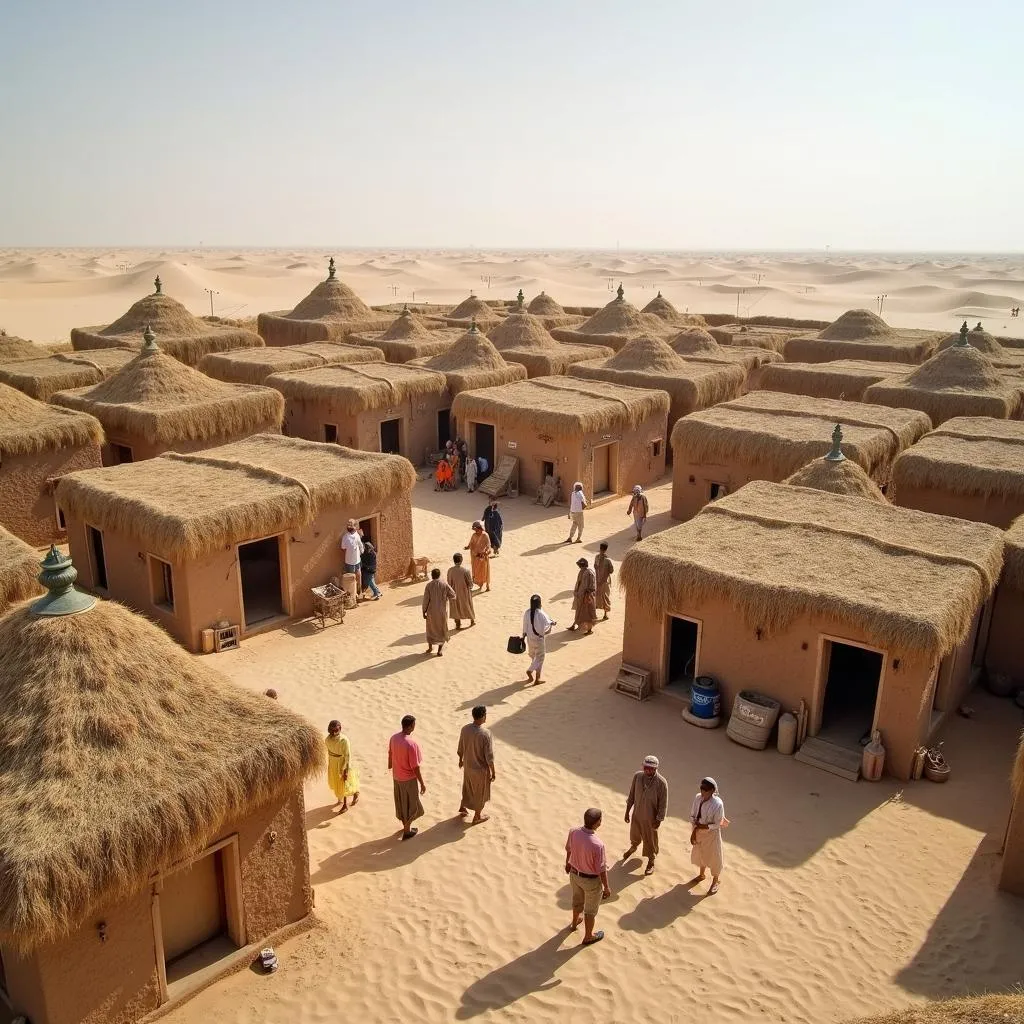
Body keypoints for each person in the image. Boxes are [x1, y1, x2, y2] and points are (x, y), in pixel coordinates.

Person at [565, 808, 611, 946]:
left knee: (577, 900)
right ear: (598, 823)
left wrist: (567, 863)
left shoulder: (573, 832)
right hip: (590, 881)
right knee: (590, 910)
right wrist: (607, 887)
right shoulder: (598, 845)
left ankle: (574, 924)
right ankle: (588, 936)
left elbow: (569, 849)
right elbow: (601, 869)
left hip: (574, 875)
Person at [623, 755, 667, 875]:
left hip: (651, 819)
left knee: (650, 840)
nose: (647, 770)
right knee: (634, 834)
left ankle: (651, 861)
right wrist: (627, 811)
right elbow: (631, 795)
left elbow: (663, 805)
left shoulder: (661, 783)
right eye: (645, 767)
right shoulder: (637, 776)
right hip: (637, 814)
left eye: (650, 768)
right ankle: (633, 847)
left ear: (655, 768)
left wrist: (658, 820)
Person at [388, 715, 426, 840]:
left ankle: (405, 825)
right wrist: (422, 783)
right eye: (414, 724)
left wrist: (390, 766)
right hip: (408, 779)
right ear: (410, 726)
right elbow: (415, 767)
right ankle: (407, 830)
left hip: (397, 777)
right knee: (412, 804)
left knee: (402, 802)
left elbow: (390, 753)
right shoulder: (411, 744)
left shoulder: (393, 738)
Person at [457, 705, 495, 824]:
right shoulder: (485, 734)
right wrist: (493, 772)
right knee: (480, 792)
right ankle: (477, 816)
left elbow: (461, 746)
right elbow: (489, 756)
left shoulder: (465, 729)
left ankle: (463, 807)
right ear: (483, 716)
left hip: (468, 766)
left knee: (467, 787)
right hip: (480, 770)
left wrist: (460, 759)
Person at [689, 776, 726, 894]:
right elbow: (693, 814)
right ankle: (701, 875)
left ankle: (715, 880)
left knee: (714, 857)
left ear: (712, 791)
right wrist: (694, 829)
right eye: (701, 788)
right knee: (700, 853)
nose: (702, 791)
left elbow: (717, 823)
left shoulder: (718, 804)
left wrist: (704, 827)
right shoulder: (697, 798)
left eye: (705, 789)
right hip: (698, 831)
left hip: (711, 835)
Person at [326, 720, 360, 814]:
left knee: (344, 783)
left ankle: (346, 804)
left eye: (335, 730)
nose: (334, 732)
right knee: (338, 782)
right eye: (332, 730)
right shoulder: (328, 739)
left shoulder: (344, 740)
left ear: (340, 729)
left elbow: (347, 756)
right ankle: (347, 796)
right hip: (333, 763)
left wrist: (345, 770)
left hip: (342, 764)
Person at [522, 593, 555, 684]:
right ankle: (535, 676)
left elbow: (525, 626)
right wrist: (552, 624)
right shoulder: (540, 613)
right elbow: (547, 625)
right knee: (540, 658)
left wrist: (524, 635)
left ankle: (534, 676)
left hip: (530, 639)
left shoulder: (527, 612)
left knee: (534, 657)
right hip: (539, 639)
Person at [422, 567, 456, 656]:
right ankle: (439, 650)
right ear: (439, 575)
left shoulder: (428, 585)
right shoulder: (444, 584)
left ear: (432, 576)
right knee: (441, 629)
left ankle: (430, 648)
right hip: (442, 611)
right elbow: (453, 595)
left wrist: (423, 611)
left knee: (430, 629)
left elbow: (426, 600)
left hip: (431, 611)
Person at [569, 557, 597, 635]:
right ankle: (575, 625)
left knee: (588, 614)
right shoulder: (582, 572)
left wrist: (586, 595)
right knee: (579, 612)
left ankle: (589, 630)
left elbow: (591, 587)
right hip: (580, 596)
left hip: (587, 598)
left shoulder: (589, 573)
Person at [447, 552, 475, 629]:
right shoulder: (465, 571)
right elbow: (470, 583)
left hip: (454, 593)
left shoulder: (450, 570)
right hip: (464, 592)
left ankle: (458, 624)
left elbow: (449, 582)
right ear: (461, 560)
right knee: (468, 605)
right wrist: (471, 586)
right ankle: (472, 621)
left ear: (454, 560)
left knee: (456, 608)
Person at [465, 521, 492, 592]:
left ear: (481, 528)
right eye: (475, 530)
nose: (476, 531)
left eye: (477, 529)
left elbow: (488, 545)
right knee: (476, 571)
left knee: (484, 571)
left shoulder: (485, 535)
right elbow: (471, 543)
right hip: (475, 556)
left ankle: (486, 585)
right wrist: (468, 547)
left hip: (483, 556)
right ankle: (478, 585)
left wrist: (487, 552)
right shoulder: (474, 535)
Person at [340, 519, 364, 594]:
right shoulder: (345, 537)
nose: (349, 527)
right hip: (349, 562)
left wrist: (361, 552)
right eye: (348, 525)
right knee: (351, 578)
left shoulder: (357, 535)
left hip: (357, 561)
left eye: (351, 525)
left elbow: (360, 545)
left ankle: (359, 591)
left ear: (355, 526)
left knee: (359, 576)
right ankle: (353, 594)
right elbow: (343, 547)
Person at [594, 542, 613, 621]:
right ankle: (603, 614)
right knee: (602, 597)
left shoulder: (600, 558)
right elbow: (611, 571)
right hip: (601, 581)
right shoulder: (605, 560)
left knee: (602, 596)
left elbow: (611, 571)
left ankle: (603, 614)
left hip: (602, 581)